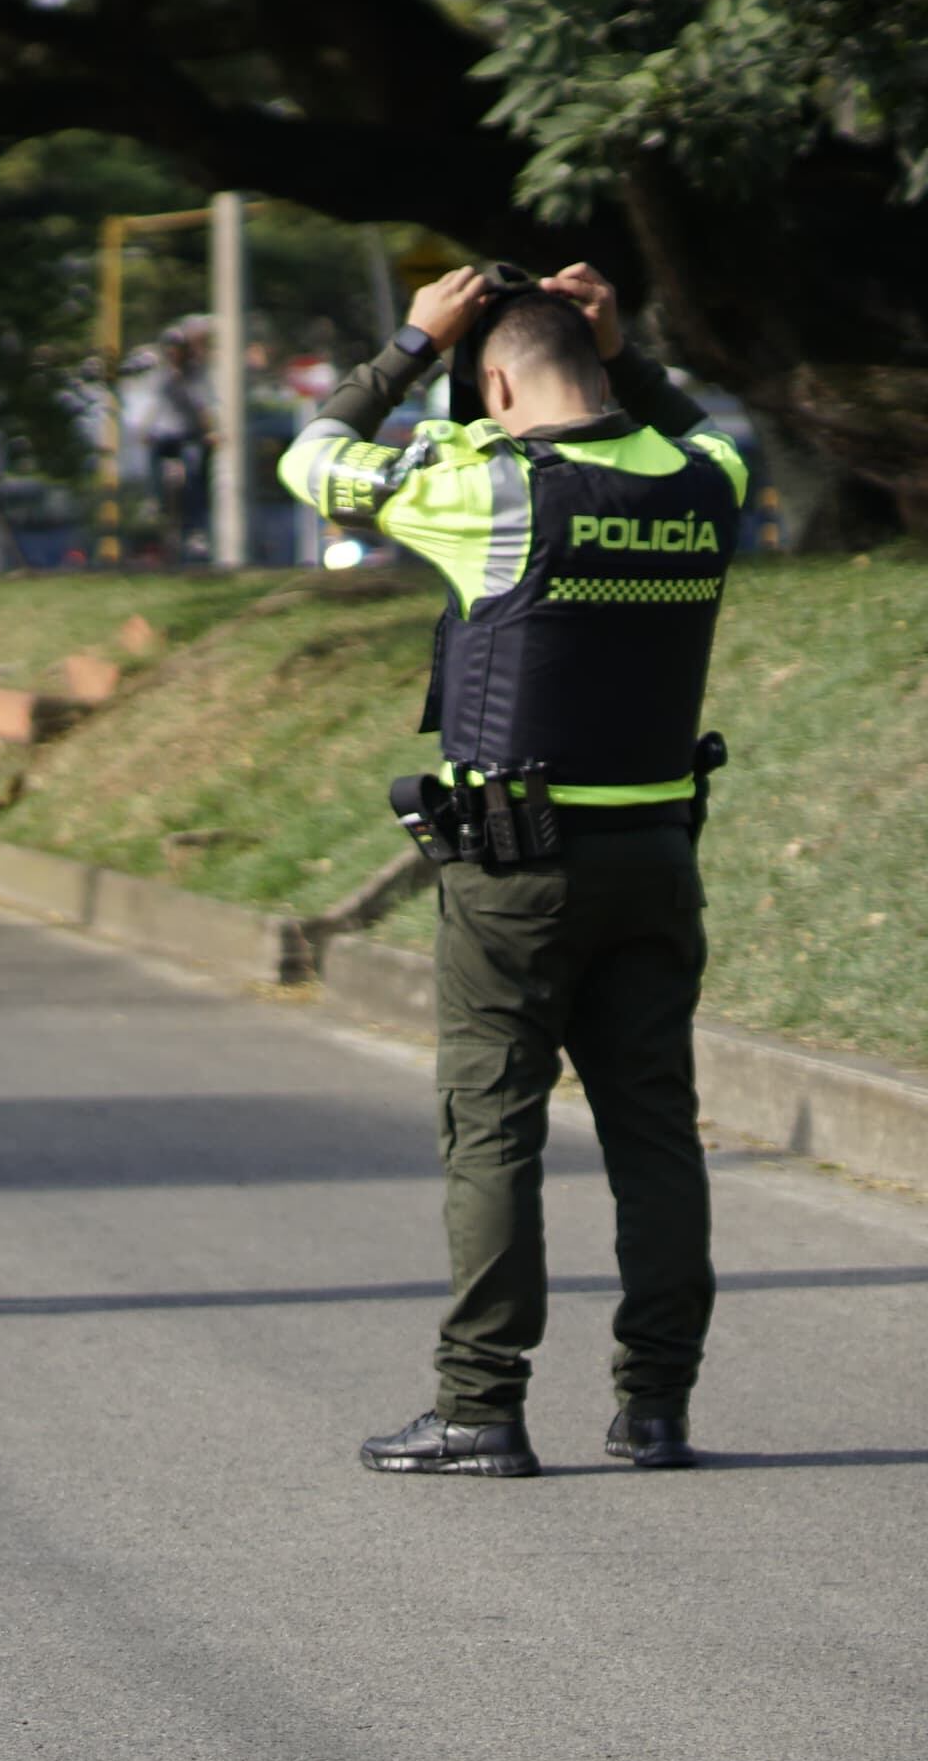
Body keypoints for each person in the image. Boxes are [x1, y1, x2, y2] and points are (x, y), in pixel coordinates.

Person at [284, 263, 740, 1477]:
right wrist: (625, 350)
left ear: (489, 383)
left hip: (514, 874)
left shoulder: (484, 485)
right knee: (653, 1135)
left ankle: (478, 1406)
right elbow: (683, 427)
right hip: (655, 854)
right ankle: (655, 1408)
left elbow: (313, 461)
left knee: (490, 1128)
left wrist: (401, 342)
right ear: (596, 365)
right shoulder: (707, 480)